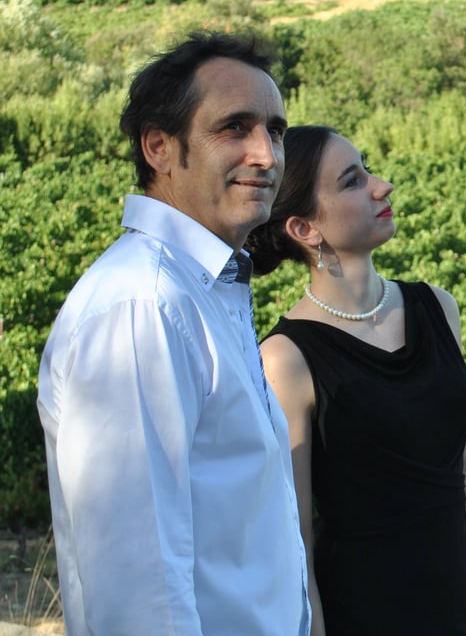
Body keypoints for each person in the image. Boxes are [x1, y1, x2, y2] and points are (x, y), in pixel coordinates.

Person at [37, 32, 310, 636]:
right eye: (234, 128)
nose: (266, 155)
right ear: (159, 147)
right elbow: (139, 588)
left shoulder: (201, 290)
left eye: (275, 131)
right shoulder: (143, 306)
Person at [247, 125, 466, 636]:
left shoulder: (437, 308)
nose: (383, 186)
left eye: (368, 170)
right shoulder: (286, 360)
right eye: (352, 181)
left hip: (462, 616)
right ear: (305, 229)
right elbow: (296, 540)